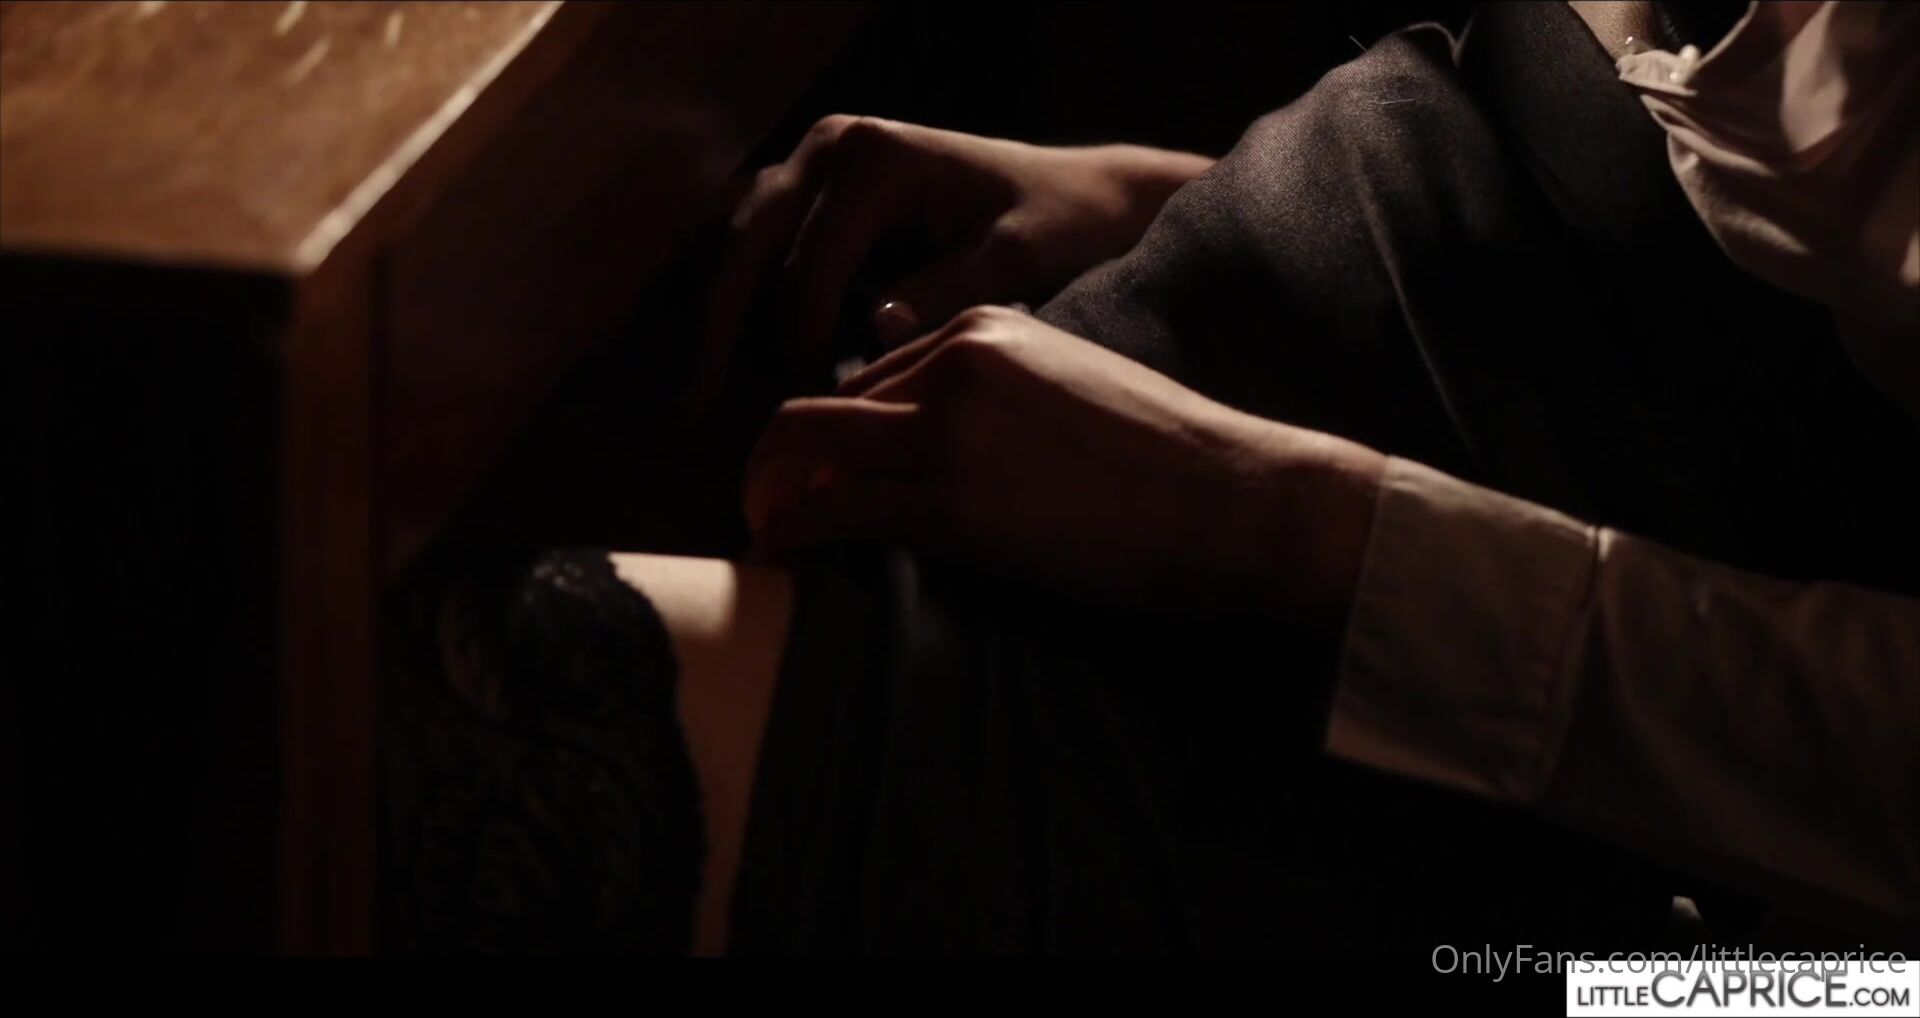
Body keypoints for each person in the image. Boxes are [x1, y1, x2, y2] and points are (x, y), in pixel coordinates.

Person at [386, 0, 1920, 955]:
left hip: (1477, 789)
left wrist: (1252, 515)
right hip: (1204, 441)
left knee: (399, 726)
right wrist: (1174, 204)